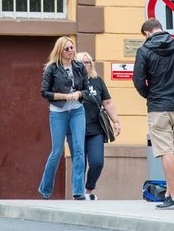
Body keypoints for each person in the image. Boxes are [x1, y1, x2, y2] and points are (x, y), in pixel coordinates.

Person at [132, 17, 174, 210]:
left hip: (159, 106)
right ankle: (169, 193)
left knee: (165, 151)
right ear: (161, 29)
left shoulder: (145, 50)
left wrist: (149, 95)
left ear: (147, 33)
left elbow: (138, 80)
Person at [38, 36, 88, 201]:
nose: (71, 51)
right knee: (57, 150)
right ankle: (45, 189)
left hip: (77, 111)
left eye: (72, 47)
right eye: (67, 49)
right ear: (60, 50)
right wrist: (63, 96)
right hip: (58, 112)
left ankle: (78, 191)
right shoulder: (52, 68)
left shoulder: (79, 67)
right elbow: (44, 92)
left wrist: (78, 94)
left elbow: (87, 89)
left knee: (79, 149)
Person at [76, 51, 122, 200]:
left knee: (97, 162)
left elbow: (107, 102)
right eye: (82, 62)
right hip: (76, 128)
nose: (85, 65)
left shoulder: (98, 81)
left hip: (95, 128)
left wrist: (116, 121)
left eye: (87, 62)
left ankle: (88, 190)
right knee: (80, 163)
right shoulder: (72, 81)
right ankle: (78, 193)